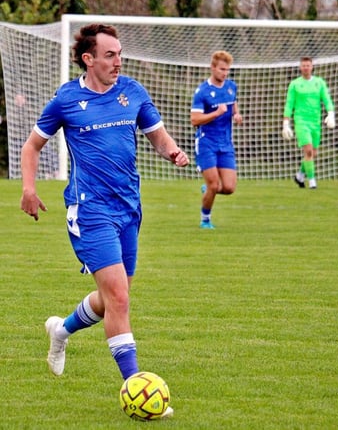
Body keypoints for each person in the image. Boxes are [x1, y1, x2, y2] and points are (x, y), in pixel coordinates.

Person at [20, 23, 189, 418]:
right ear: (89, 59)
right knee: (120, 298)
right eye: (110, 54)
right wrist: (29, 189)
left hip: (129, 208)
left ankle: (61, 330)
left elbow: (158, 136)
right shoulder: (66, 99)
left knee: (112, 297)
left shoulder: (133, 92)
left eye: (120, 54)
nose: (118, 61)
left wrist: (173, 152)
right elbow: (32, 146)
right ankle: (137, 388)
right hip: (89, 209)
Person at [191, 50, 243, 229]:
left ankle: (209, 190)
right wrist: (216, 113)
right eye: (222, 69)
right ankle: (205, 220)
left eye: (227, 70)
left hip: (226, 143)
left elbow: (233, 106)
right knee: (214, 184)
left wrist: (236, 115)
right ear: (213, 68)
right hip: (207, 143)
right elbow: (195, 120)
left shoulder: (231, 87)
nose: (225, 73)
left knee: (229, 188)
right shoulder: (202, 92)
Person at [282, 56, 335, 189]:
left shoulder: (319, 82)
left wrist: (331, 113)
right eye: (303, 65)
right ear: (300, 67)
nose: (306, 68)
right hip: (301, 121)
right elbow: (289, 103)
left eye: (308, 65)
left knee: (313, 153)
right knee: (309, 151)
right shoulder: (295, 84)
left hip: (315, 122)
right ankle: (312, 181)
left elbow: (326, 99)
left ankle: (300, 175)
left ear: (312, 67)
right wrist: (286, 122)